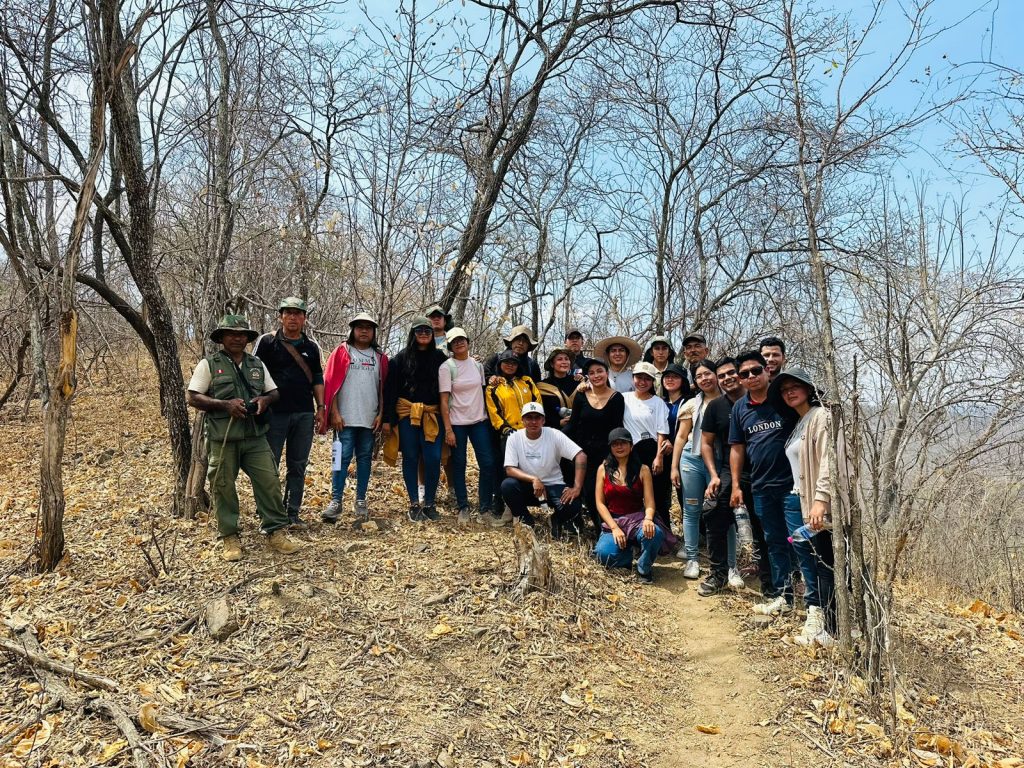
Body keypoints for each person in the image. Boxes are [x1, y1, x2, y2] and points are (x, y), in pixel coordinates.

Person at [186, 315, 301, 561]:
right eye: (231, 334)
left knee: (269, 481)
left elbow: (274, 392)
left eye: (242, 335)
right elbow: (193, 396)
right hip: (223, 437)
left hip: (255, 436)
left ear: (248, 339)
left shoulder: (256, 364)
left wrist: (264, 400)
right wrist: (224, 405)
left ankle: (275, 531)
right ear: (221, 338)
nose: (237, 338)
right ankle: (229, 536)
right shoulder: (209, 364)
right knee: (223, 486)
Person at [768, 368, 838, 646]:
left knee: (825, 564)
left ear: (809, 389)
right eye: (784, 390)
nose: (789, 392)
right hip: (801, 501)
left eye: (794, 387)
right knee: (815, 561)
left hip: (818, 505)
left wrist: (821, 499)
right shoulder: (800, 422)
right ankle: (823, 623)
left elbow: (829, 460)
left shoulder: (821, 417)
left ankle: (829, 629)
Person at [729, 350, 796, 616]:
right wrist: (736, 485)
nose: (751, 376)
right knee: (773, 541)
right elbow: (737, 447)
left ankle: (816, 600)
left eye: (756, 370)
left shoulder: (783, 399)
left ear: (767, 370)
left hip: (793, 485)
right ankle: (783, 596)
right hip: (761, 486)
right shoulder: (740, 408)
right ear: (740, 379)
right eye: (745, 374)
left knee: (800, 541)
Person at [697, 357, 770, 597]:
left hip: (764, 470)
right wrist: (714, 475)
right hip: (731, 470)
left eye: (731, 373)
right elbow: (706, 443)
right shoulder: (715, 407)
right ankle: (719, 574)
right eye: (722, 376)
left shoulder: (764, 399)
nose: (727, 378)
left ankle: (771, 582)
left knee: (764, 525)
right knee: (714, 512)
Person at [252, 297, 325, 529]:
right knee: (268, 464)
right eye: (288, 313)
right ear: (280, 316)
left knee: (298, 465)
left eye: (297, 313)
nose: (293, 317)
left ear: (304, 318)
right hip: (274, 413)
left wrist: (321, 408)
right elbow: (253, 371)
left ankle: (292, 512)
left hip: (304, 413)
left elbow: (317, 379)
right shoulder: (267, 342)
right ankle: (268, 511)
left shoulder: (311, 347)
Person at [320, 312, 388, 526]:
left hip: (369, 419)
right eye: (360, 327)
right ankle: (336, 501)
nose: (364, 331)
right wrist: (334, 412)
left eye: (368, 327)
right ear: (353, 330)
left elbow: (384, 388)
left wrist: (381, 414)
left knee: (365, 459)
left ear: (374, 331)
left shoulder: (380, 358)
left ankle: (360, 499)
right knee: (340, 459)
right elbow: (330, 383)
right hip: (344, 419)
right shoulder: (342, 352)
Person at [383, 316, 449, 522]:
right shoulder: (399, 359)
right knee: (410, 457)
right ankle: (413, 503)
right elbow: (390, 391)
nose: (423, 334)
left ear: (432, 335)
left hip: (432, 415)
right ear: (413, 333)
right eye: (419, 331)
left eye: (427, 331)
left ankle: (429, 502)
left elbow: (448, 390)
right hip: (406, 414)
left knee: (433, 458)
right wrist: (388, 420)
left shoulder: (440, 359)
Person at [593, 428, 669, 583]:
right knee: (603, 554)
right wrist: (614, 527)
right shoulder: (603, 469)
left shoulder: (643, 469)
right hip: (614, 520)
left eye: (623, 443)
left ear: (631, 445)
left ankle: (644, 567)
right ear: (610, 447)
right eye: (615, 444)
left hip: (637, 519)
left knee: (655, 533)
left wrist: (648, 519)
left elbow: (649, 502)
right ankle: (628, 554)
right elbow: (600, 503)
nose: (619, 447)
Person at [501, 402, 586, 536]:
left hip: (553, 485)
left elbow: (581, 456)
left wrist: (577, 487)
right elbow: (510, 469)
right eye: (529, 418)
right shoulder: (514, 438)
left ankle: (556, 519)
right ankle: (525, 520)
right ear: (522, 420)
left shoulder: (554, 434)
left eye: (537, 417)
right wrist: (534, 479)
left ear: (543, 420)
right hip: (528, 487)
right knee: (508, 486)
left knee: (573, 503)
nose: (533, 422)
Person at [439, 327, 496, 525]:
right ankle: (463, 506)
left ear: (468, 342)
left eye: (462, 340)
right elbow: (444, 401)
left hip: (479, 421)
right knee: (459, 464)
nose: (459, 343)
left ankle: (484, 508)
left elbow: (483, 391)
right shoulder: (447, 367)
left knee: (487, 463)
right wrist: (448, 429)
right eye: (454, 342)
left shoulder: (477, 366)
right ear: (450, 346)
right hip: (457, 423)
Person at [670, 359, 720, 579]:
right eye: (699, 376)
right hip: (691, 457)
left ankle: (728, 563)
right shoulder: (691, 404)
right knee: (691, 509)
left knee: (721, 510)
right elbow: (681, 437)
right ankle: (692, 558)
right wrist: (674, 466)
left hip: (718, 460)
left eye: (707, 373)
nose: (704, 379)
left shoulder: (729, 401)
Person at [564, 358, 625, 531]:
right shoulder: (581, 396)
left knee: (608, 493)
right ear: (587, 377)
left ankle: (612, 529)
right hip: (583, 454)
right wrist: (554, 438)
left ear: (607, 373)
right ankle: (600, 530)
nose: (596, 375)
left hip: (606, 454)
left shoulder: (616, 398)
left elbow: (617, 428)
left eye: (600, 371)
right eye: (591, 373)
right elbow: (572, 424)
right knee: (590, 492)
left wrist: (613, 457)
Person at [485, 348, 542, 526]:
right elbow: (493, 412)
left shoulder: (527, 381)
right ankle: (510, 507)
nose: (510, 366)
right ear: (500, 364)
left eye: (513, 363)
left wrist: (536, 423)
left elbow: (537, 402)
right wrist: (504, 429)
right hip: (509, 433)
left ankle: (529, 504)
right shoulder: (494, 386)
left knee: (531, 468)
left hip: (531, 431)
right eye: (506, 362)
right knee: (509, 470)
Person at [622, 362, 674, 534]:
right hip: (631, 451)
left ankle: (664, 534)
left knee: (658, 496)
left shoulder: (658, 403)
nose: (642, 382)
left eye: (647, 379)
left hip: (652, 449)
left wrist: (659, 457)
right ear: (633, 378)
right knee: (632, 493)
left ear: (652, 382)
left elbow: (661, 431)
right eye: (639, 378)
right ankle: (635, 531)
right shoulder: (623, 398)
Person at [537, 347, 577, 429]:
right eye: (560, 359)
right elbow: (542, 410)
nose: (564, 362)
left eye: (566, 359)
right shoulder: (542, 386)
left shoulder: (577, 383)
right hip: (553, 430)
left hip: (577, 429)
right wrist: (558, 422)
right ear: (552, 364)